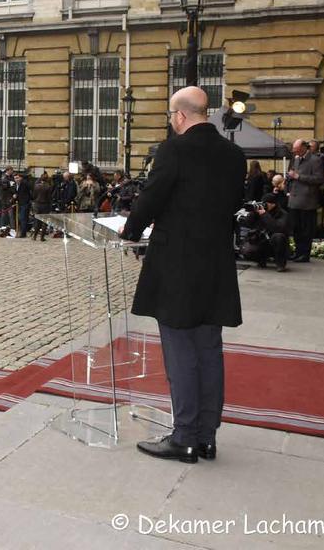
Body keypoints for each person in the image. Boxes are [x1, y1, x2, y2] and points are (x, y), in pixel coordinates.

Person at [121, 86, 245, 464]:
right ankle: (206, 436)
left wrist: (130, 230)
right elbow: (230, 204)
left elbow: (153, 196)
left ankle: (184, 437)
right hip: (216, 266)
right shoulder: (234, 154)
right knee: (209, 350)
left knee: (180, 353)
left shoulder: (174, 149)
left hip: (178, 266)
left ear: (179, 116)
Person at [286, 139, 324, 263]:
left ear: (303, 147)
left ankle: (304, 254)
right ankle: (297, 252)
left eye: (296, 148)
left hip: (307, 201)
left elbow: (318, 179)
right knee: (296, 229)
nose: (294, 151)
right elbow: (293, 177)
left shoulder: (315, 160)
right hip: (294, 199)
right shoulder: (296, 159)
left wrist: (298, 176)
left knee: (306, 230)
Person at [242, 193, 289, 272]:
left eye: (265, 203)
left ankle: (280, 263)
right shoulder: (259, 211)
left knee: (278, 236)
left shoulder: (282, 214)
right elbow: (247, 223)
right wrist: (253, 213)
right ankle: (261, 259)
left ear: (273, 204)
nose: (263, 205)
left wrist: (264, 214)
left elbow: (277, 228)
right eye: (262, 203)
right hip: (261, 240)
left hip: (274, 242)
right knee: (247, 251)